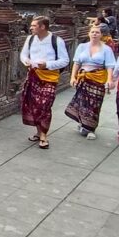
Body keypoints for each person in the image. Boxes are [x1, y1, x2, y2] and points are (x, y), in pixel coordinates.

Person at [19, 15, 70, 149]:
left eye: (34, 26)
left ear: (42, 27)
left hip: (49, 77)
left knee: (45, 105)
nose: (31, 28)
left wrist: (47, 64)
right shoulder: (30, 39)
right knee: (33, 104)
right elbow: (23, 54)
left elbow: (65, 60)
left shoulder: (56, 40)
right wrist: (26, 61)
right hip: (33, 74)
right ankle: (38, 131)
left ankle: (44, 135)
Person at [65, 25, 116, 139]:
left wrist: (109, 80)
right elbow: (77, 63)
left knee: (94, 104)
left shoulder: (106, 49)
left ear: (101, 35)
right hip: (83, 77)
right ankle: (83, 124)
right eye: (92, 32)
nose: (94, 34)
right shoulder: (82, 47)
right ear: (89, 34)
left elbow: (109, 66)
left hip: (98, 78)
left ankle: (91, 129)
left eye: (97, 32)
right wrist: (73, 77)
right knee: (82, 102)